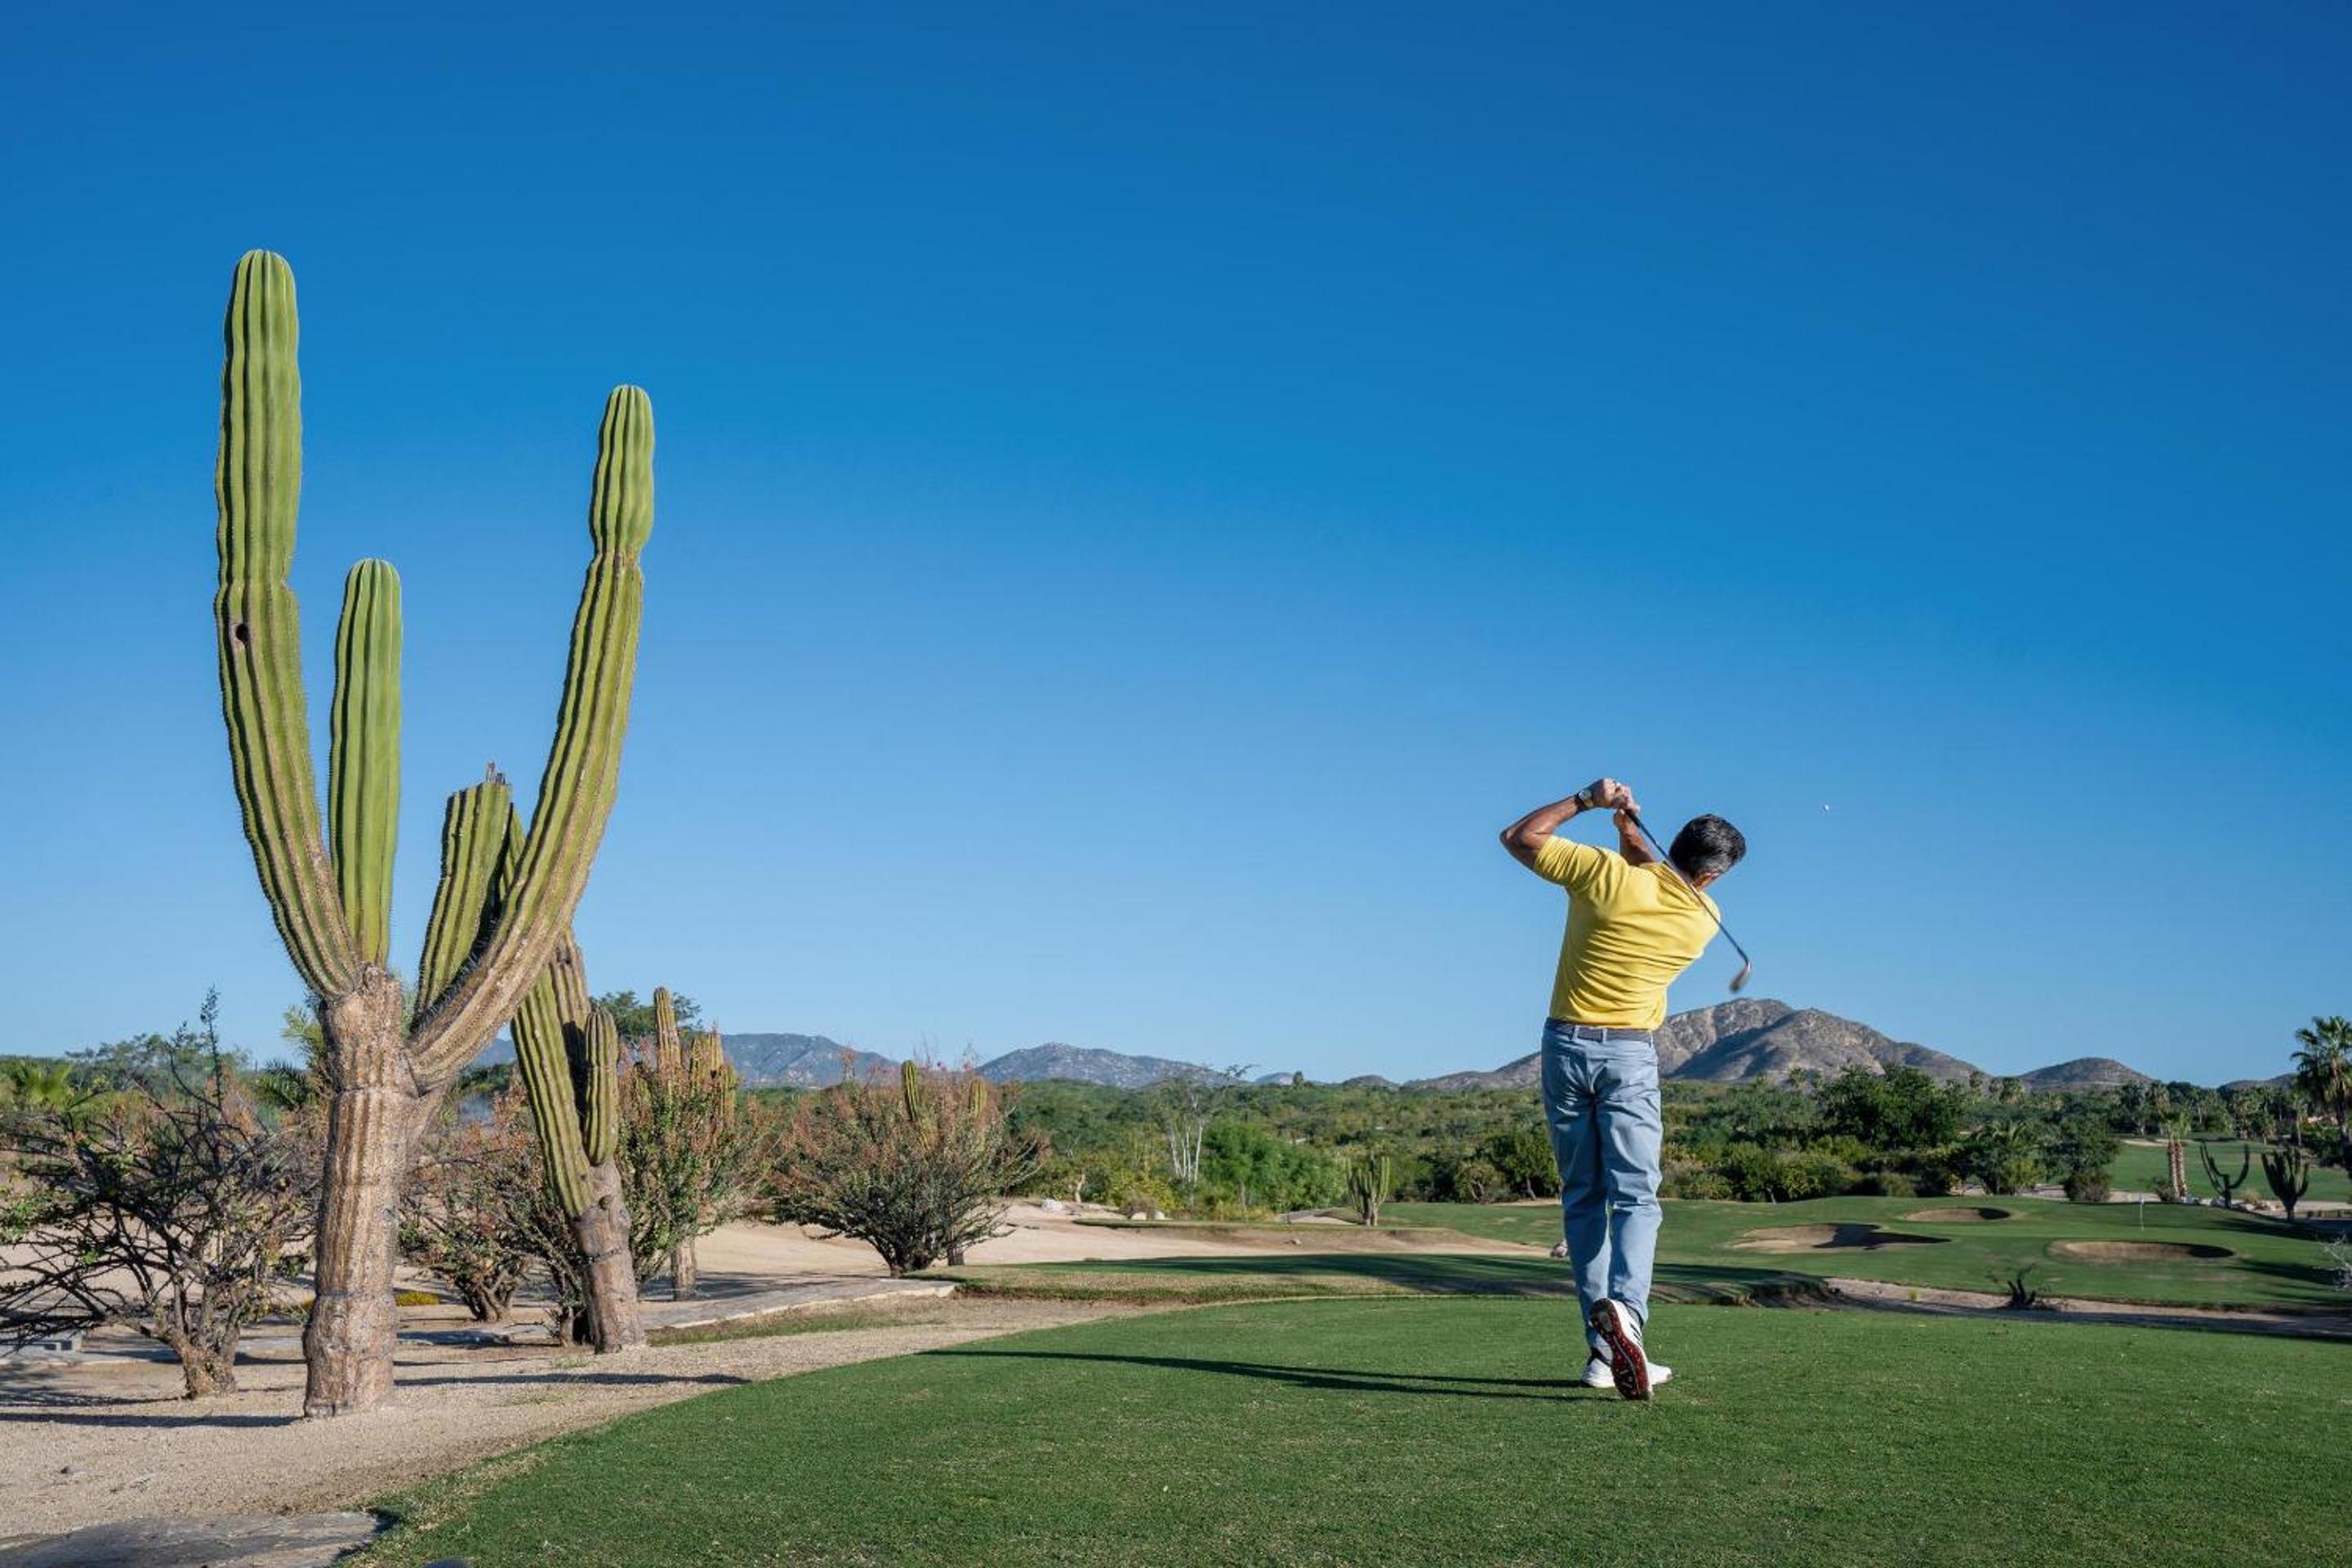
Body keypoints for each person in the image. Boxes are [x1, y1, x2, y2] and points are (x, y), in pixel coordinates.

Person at [1499, 777, 1746, 1400]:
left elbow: (1519, 837)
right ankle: (1628, 1320)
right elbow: (1659, 875)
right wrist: (1629, 831)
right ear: (1712, 876)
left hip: (1563, 1047)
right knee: (1637, 1198)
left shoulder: (1603, 876)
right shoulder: (1705, 919)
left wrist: (1590, 803)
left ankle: (1603, 1351)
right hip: (1630, 1056)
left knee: (1583, 1197)